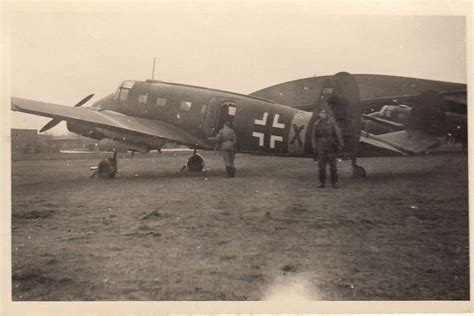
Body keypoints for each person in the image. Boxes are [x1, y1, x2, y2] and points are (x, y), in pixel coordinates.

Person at [312, 108, 344, 188]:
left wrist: (340, 145)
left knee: (333, 166)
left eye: (324, 113)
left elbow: (338, 134)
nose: (322, 114)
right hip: (321, 146)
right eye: (321, 113)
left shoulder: (332, 123)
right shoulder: (316, 124)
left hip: (330, 145)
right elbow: (313, 137)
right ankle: (322, 183)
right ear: (319, 114)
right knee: (321, 166)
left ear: (327, 114)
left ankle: (334, 183)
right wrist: (314, 146)